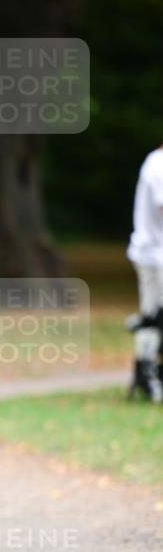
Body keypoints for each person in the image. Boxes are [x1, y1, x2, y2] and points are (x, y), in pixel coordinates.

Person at [126, 143, 163, 402]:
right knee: (154, 316)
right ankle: (147, 375)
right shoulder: (159, 166)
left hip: (153, 252)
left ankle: (148, 372)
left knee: (155, 314)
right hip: (154, 255)